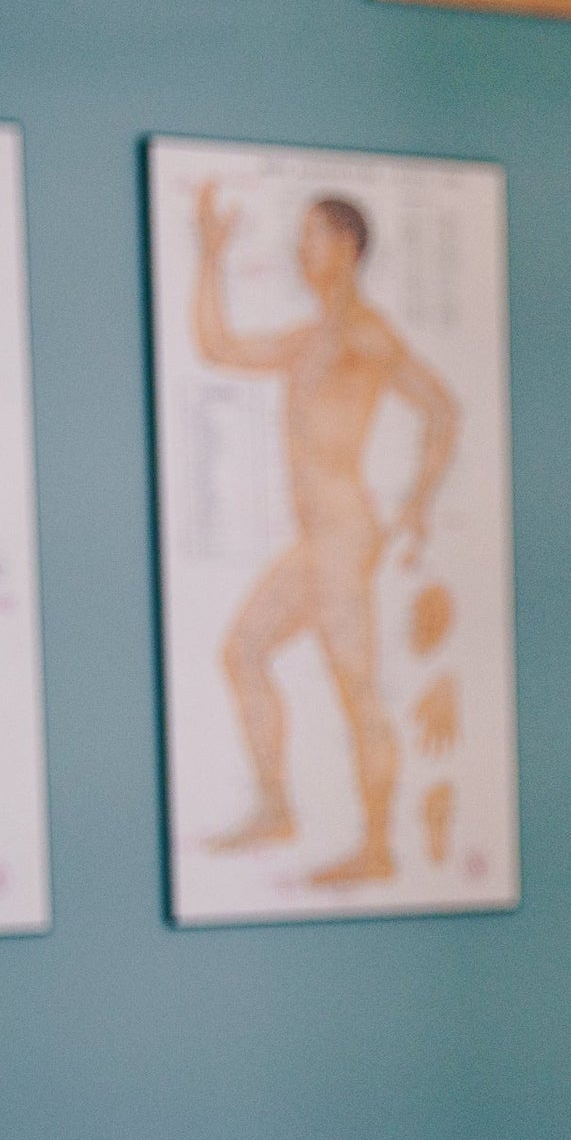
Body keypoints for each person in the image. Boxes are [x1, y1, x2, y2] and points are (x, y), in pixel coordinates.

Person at [187, 182, 456, 886]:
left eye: (310, 237)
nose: (298, 251)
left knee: (354, 684)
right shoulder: (313, 338)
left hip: (343, 534)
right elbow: (216, 346)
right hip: (318, 540)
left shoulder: (367, 333)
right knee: (242, 651)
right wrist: (210, 256)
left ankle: (377, 848)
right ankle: (277, 805)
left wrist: (421, 501)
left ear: (344, 248)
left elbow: (442, 408)